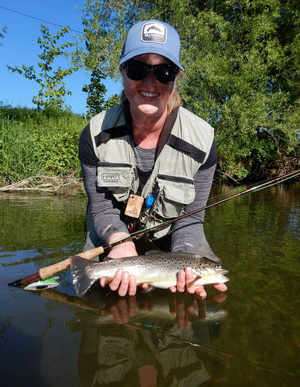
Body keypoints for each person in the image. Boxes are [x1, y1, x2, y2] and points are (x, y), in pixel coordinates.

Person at [79, 19, 227, 298]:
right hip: (113, 230)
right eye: (138, 69)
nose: (150, 82)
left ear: (176, 78)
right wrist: (118, 240)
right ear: (122, 72)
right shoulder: (95, 134)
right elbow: (100, 208)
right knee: (94, 298)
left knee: (209, 311)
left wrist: (183, 257)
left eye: (164, 72)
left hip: (175, 232)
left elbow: (191, 216)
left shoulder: (203, 141)